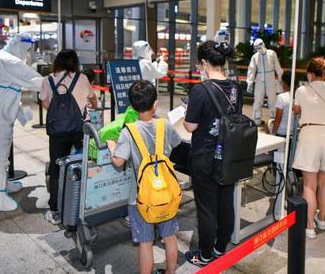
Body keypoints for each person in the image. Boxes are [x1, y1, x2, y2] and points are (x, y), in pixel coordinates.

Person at [108, 80, 181, 274]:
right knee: (170, 237)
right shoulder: (164, 125)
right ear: (155, 103)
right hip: (167, 192)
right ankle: (170, 272)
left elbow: (118, 162)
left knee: (145, 243)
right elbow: (176, 142)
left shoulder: (128, 131)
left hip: (140, 197)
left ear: (132, 106)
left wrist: (111, 146)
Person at [183, 41, 242, 266]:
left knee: (206, 208)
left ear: (205, 63)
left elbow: (190, 126)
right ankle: (219, 249)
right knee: (225, 203)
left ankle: (205, 255)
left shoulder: (200, 89)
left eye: (199, 63)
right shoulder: (235, 87)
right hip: (228, 154)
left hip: (205, 157)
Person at [0, 33, 43, 212]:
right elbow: (33, 79)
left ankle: (2, 183)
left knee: (1, 149)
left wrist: (19, 109)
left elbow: (8, 87)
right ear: (19, 45)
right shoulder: (9, 61)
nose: (27, 53)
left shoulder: (0, 57)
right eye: (26, 49)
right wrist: (58, 83)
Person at [39, 49, 97, 224]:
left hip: (58, 132)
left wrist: (60, 115)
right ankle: (82, 203)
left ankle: (55, 210)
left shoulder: (47, 80)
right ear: (74, 63)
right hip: (79, 128)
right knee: (83, 163)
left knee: (56, 168)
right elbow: (92, 98)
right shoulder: (82, 78)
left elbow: (45, 103)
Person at [292, 57, 325, 239]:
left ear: (310, 74)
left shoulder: (301, 90)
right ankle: (322, 218)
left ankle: (310, 226)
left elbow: (296, 109)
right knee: (324, 182)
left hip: (310, 135)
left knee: (309, 185)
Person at [246, 38, 283, 126]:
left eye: (259, 46)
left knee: (272, 99)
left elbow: (277, 66)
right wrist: (249, 82)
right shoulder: (255, 56)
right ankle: (257, 119)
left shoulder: (272, 53)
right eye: (256, 48)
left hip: (270, 77)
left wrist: (280, 78)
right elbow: (251, 69)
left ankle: (273, 118)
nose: (258, 49)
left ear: (263, 44)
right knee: (258, 99)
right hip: (259, 78)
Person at [270, 72, 291, 137]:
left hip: (281, 132)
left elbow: (278, 119)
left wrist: (273, 134)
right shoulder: (297, 96)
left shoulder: (281, 97)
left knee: (270, 122)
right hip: (293, 132)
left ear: (284, 83)